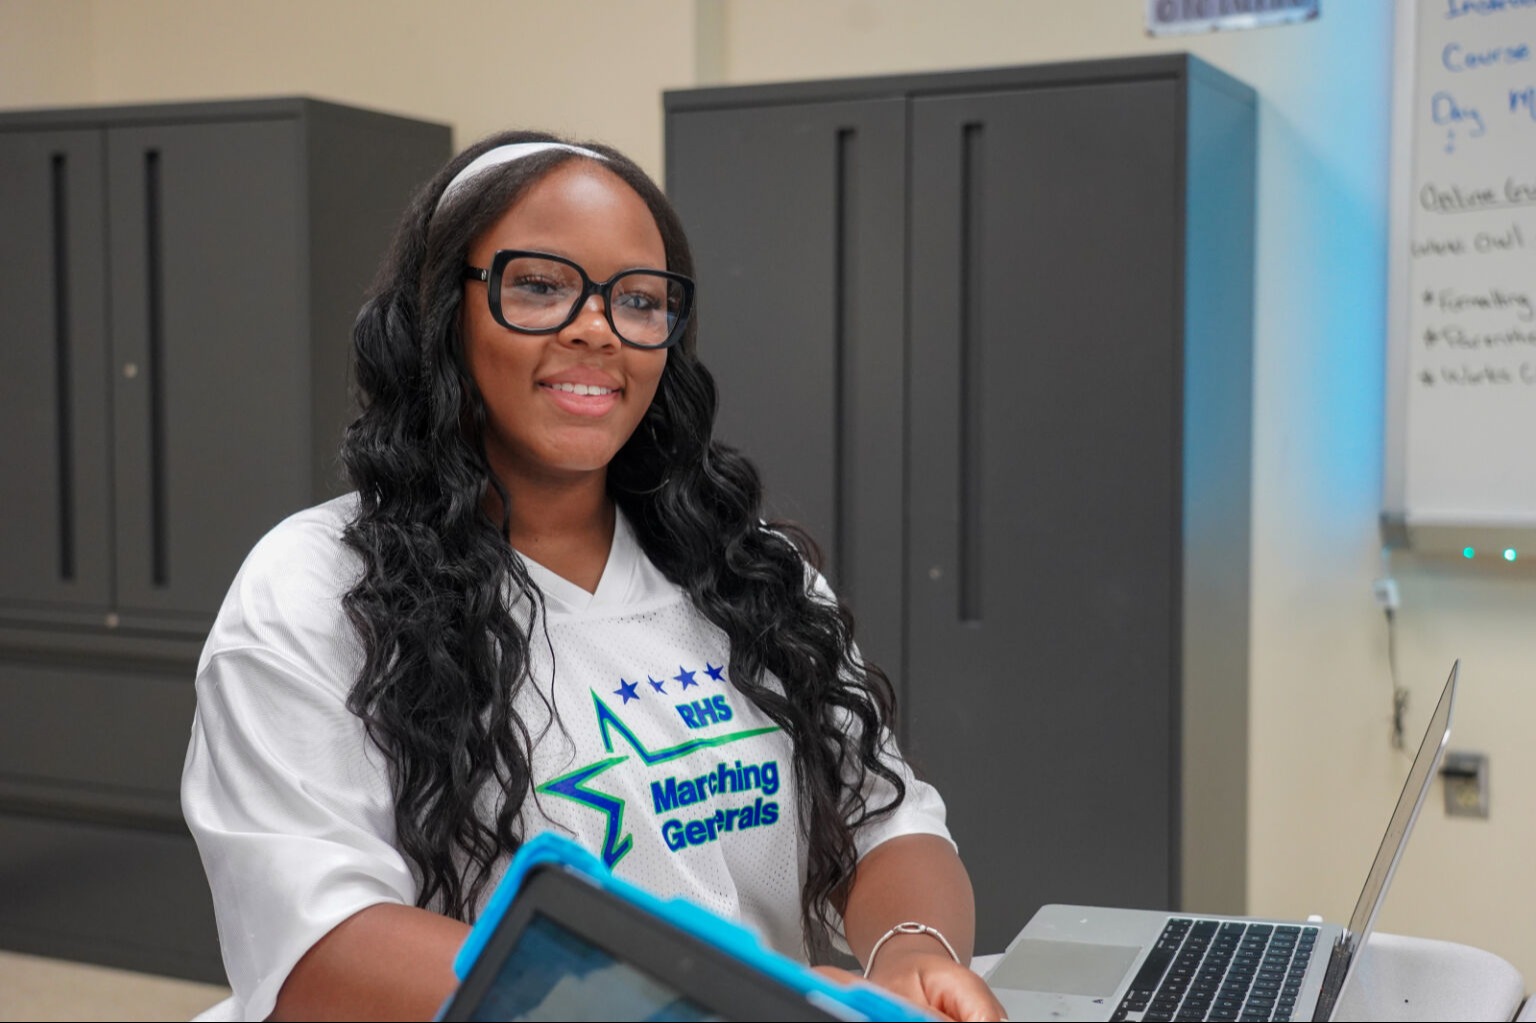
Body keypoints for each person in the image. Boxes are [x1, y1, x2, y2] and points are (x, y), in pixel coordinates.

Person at [182, 130, 1005, 1022]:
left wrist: (911, 953)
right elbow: (321, 951)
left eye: (640, 300)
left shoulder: (747, 569)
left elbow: (887, 816)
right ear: (441, 311)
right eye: (538, 285)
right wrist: (716, 1004)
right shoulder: (315, 587)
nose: (596, 327)